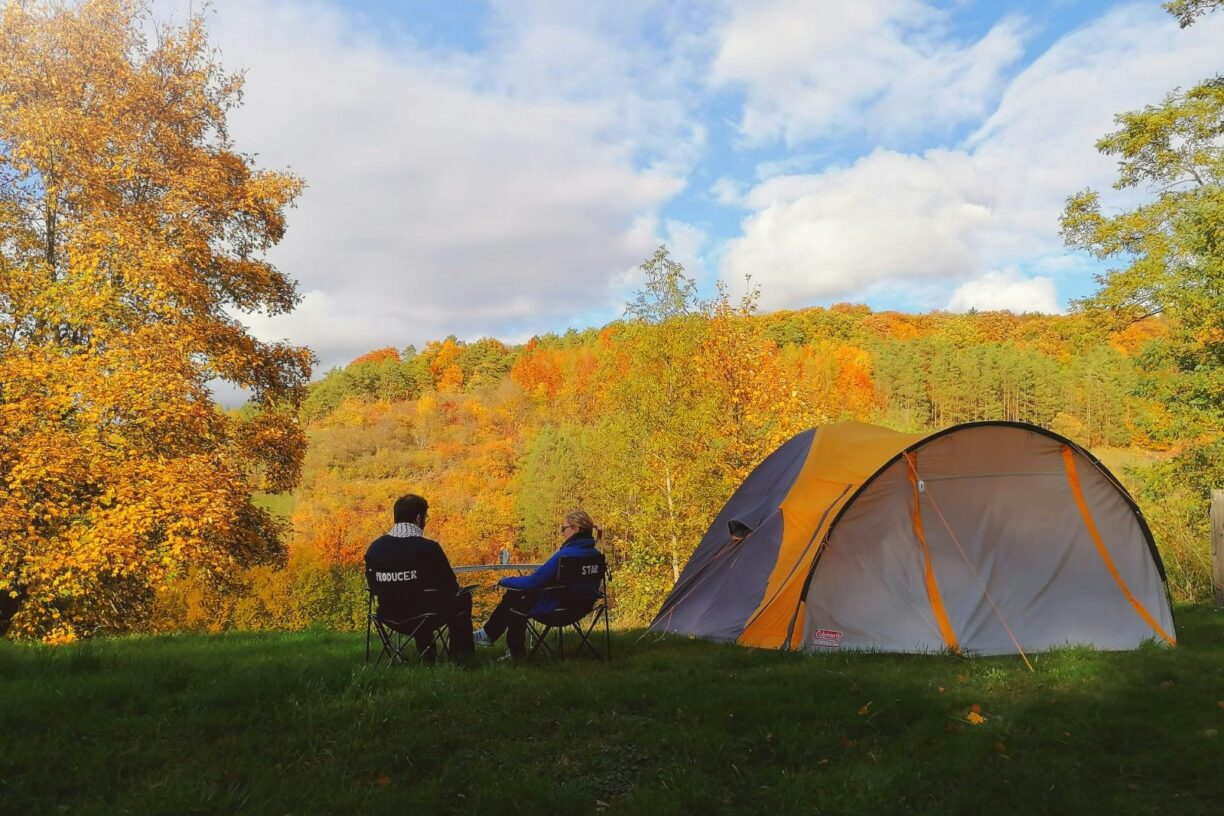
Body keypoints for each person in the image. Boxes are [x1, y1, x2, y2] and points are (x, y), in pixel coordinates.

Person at [473, 510, 603, 660]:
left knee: (515, 597)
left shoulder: (565, 556)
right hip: (582, 608)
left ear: (575, 529)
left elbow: (532, 582)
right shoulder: (596, 556)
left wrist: (504, 581)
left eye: (563, 528)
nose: (561, 533)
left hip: (558, 610)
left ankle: (512, 650)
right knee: (520, 596)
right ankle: (489, 635)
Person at [364, 494, 475, 664]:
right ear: (418, 518)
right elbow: (450, 585)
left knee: (419, 599)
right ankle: (461, 658)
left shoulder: (375, 548)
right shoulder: (428, 549)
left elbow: (372, 584)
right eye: (425, 517)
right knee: (461, 598)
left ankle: (428, 654)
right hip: (425, 616)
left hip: (388, 616)